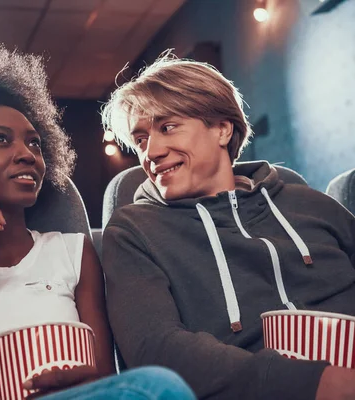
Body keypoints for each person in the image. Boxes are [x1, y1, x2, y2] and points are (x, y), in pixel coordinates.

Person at [0, 38, 196, 400]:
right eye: (0, 140)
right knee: (162, 388)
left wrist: (77, 384)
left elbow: (107, 384)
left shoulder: (73, 253)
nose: (26, 155)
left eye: (34, 143)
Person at [100, 51, 355, 400]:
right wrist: (312, 383)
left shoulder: (312, 205)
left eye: (167, 127)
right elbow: (156, 348)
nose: (151, 151)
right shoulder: (133, 230)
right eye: (141, 139)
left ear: (221, 129)